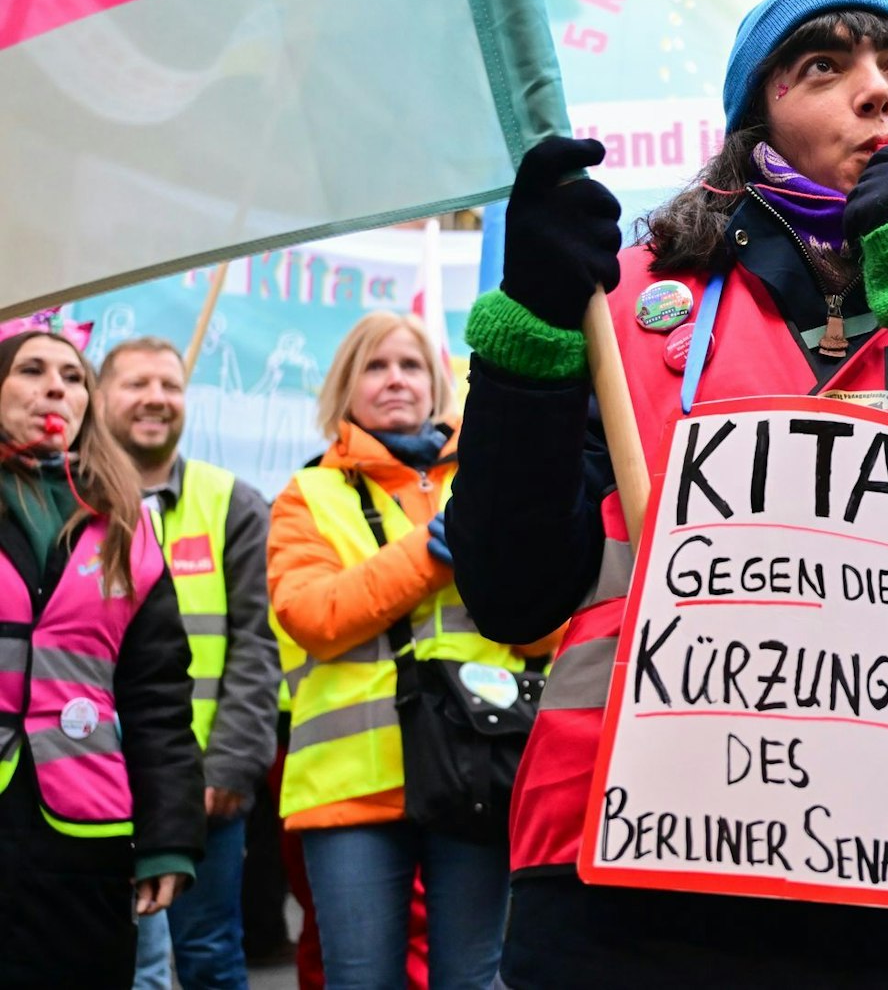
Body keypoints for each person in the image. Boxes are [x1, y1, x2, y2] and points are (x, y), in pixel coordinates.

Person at [445, 0, 888, 989]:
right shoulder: (620, 311)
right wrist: (531, 330)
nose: (876, 89)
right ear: (752, 120)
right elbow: (511, 588)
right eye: (823, 65)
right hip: (632, 889)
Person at [268, 312, 556, 990]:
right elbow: (313, 615)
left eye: (410, 364)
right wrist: (429, 554)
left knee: (470, 979)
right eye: (375, 365)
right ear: (345, 387)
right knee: (361, 979)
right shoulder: (306, 494)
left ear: (438, 384)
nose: (394, 378)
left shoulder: (494, 480)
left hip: (479, 773)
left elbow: (545, 630)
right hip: (352, 787)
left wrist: (496, 563)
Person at [0, 325, 204, 988]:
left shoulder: (127, 525)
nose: (54, 386)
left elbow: (157, 696)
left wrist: (170, 834)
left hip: (85, 831)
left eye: (72, 376)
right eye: (31, 369)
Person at [100, 336, 281, 990]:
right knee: (102, 954)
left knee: (206, 953)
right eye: (137, 383)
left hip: (200, 782)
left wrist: (232, 763)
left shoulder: (234, 501)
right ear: (100, 397)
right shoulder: (68, 501)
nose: (156, 398)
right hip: (85, 779)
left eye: (171, 385)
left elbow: (260, 647)